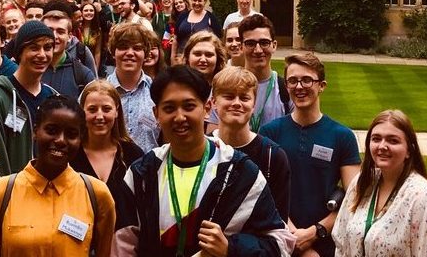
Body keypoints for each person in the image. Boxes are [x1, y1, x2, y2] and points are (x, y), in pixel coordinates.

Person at [113, 65, 294, 256]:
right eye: (169, 108)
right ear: (157, 114)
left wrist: (231, 249)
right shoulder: (142, 173)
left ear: (207, 108)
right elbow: (122, 244)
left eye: (189, 106)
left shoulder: (242, 173)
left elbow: (281, 243)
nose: (180, 116)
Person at [0, 95, 116, 257]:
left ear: (81, 139)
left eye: (71, 134)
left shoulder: (97, 195)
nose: (61, 140)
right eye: (51, 131)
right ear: (35, 131)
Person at [260, 53, 361, 257]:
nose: (299, 87)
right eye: (293, 81)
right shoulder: (270, 132)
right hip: (277, 242)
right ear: (286, 86)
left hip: (324, 245)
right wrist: (293, 236)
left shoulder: (342, 136)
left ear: (321, 85)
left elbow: (354, 198)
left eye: (307, 80)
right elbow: (261, 193)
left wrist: (315, 232)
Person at [332, 110, 427, 257]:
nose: (382, 146)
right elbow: (341, 243)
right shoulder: (362, 182)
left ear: (409, 150)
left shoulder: (422, 197)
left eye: (393, 140)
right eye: (376, 139)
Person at [0, 20, 57, 197]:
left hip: (46, 199)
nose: (42, 54)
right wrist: (6, 201)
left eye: (48, 47)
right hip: (9, 201)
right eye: (34, 48)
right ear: (20, 52)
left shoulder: (53, 98)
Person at [211, 66, 291, 221]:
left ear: (254, 105)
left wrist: (231, 246)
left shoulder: (273, 156)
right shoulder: (202, 150)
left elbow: (279, 229)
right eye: (228, 96)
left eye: (244, 98)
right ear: (213, 102)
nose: (236, 103)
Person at [71, 80, 143, 211]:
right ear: (82, 112)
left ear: (116, 111)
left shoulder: (134, 155)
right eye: (92, 109)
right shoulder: (70, 154)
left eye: (106, 109)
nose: (99, 116)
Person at [106, 22, 159, 153]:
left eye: (137, 48)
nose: (130, 53)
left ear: (145, 54)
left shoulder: (157, 92)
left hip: (148, 170)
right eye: (123, 47)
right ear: (114, 52)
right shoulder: (97, 93)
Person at [239, 14, 292, 131]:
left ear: (274, 45)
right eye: (250, 43)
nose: (258, 50)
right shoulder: (226, 88)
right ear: (241, 47)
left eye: (264, 43)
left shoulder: (287, 91)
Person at [41, 9, 96, 96]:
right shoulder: (30, 69)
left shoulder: (83, 74)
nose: (54, 36)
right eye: (49, 30)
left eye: (60, 32)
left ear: (69, 37)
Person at [172, 0, 222, 65]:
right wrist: (172, 58)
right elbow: (175, 39)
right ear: (191, 0)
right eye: (194, 0)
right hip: (181, 58)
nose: (196, 3)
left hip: (201, 60)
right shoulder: (183, 16)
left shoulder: (211, 18)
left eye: (199, 1)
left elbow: (219, 40)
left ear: (205, 2)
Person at [79, 2, 103, 71]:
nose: (89, 12)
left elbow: (97, 52)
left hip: (90, 64)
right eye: (86, 10)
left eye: (91, 10)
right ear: (81, 13)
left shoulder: (98, 30)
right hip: (77, 63)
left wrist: (96, 70)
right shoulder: (77, 28)